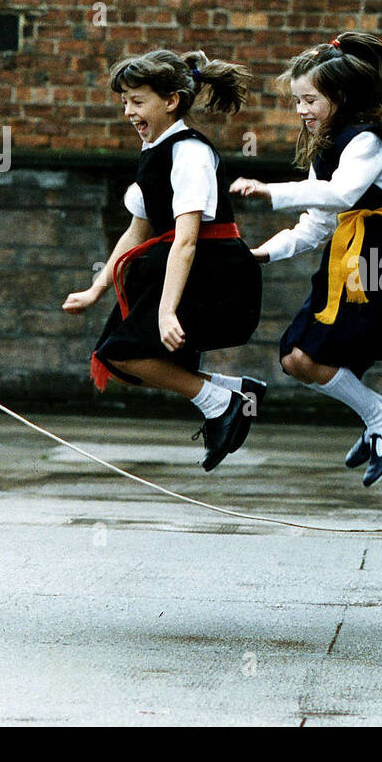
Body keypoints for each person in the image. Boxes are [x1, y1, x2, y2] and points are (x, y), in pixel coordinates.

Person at [230, 32, 382, 487]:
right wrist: (262, 254)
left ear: (340, 96)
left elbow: (343, 193)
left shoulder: (368, 139)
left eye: (310, 99)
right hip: (348, 263)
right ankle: (381, 417)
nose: (301, 110)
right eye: (297, 101)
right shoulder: (325, 151)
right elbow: (318, 224)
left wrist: (271, 190)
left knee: (308, 354)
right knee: (296, 358)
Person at [62, 49, 263, 471]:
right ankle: (230, 393)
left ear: (171, 101)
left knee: (125, 351)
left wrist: (167, 311)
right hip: (181, 267)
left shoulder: (189, 152)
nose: (128, 112)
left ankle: (222, 401)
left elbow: (187, 240)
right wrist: (97, 289)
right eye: (124, 102)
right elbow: (137, 230)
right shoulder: (155, 150)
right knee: (120, 353)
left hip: (213, 271)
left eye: (137, 102)